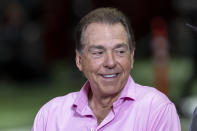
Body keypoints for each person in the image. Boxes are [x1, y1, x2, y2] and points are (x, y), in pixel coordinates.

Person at [32, 7, 181, 131]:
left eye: (120, 51)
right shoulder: (50, 116)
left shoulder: (156, 110)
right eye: (98, 53)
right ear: (79, 60)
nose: (110, 62)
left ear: (132, 57)